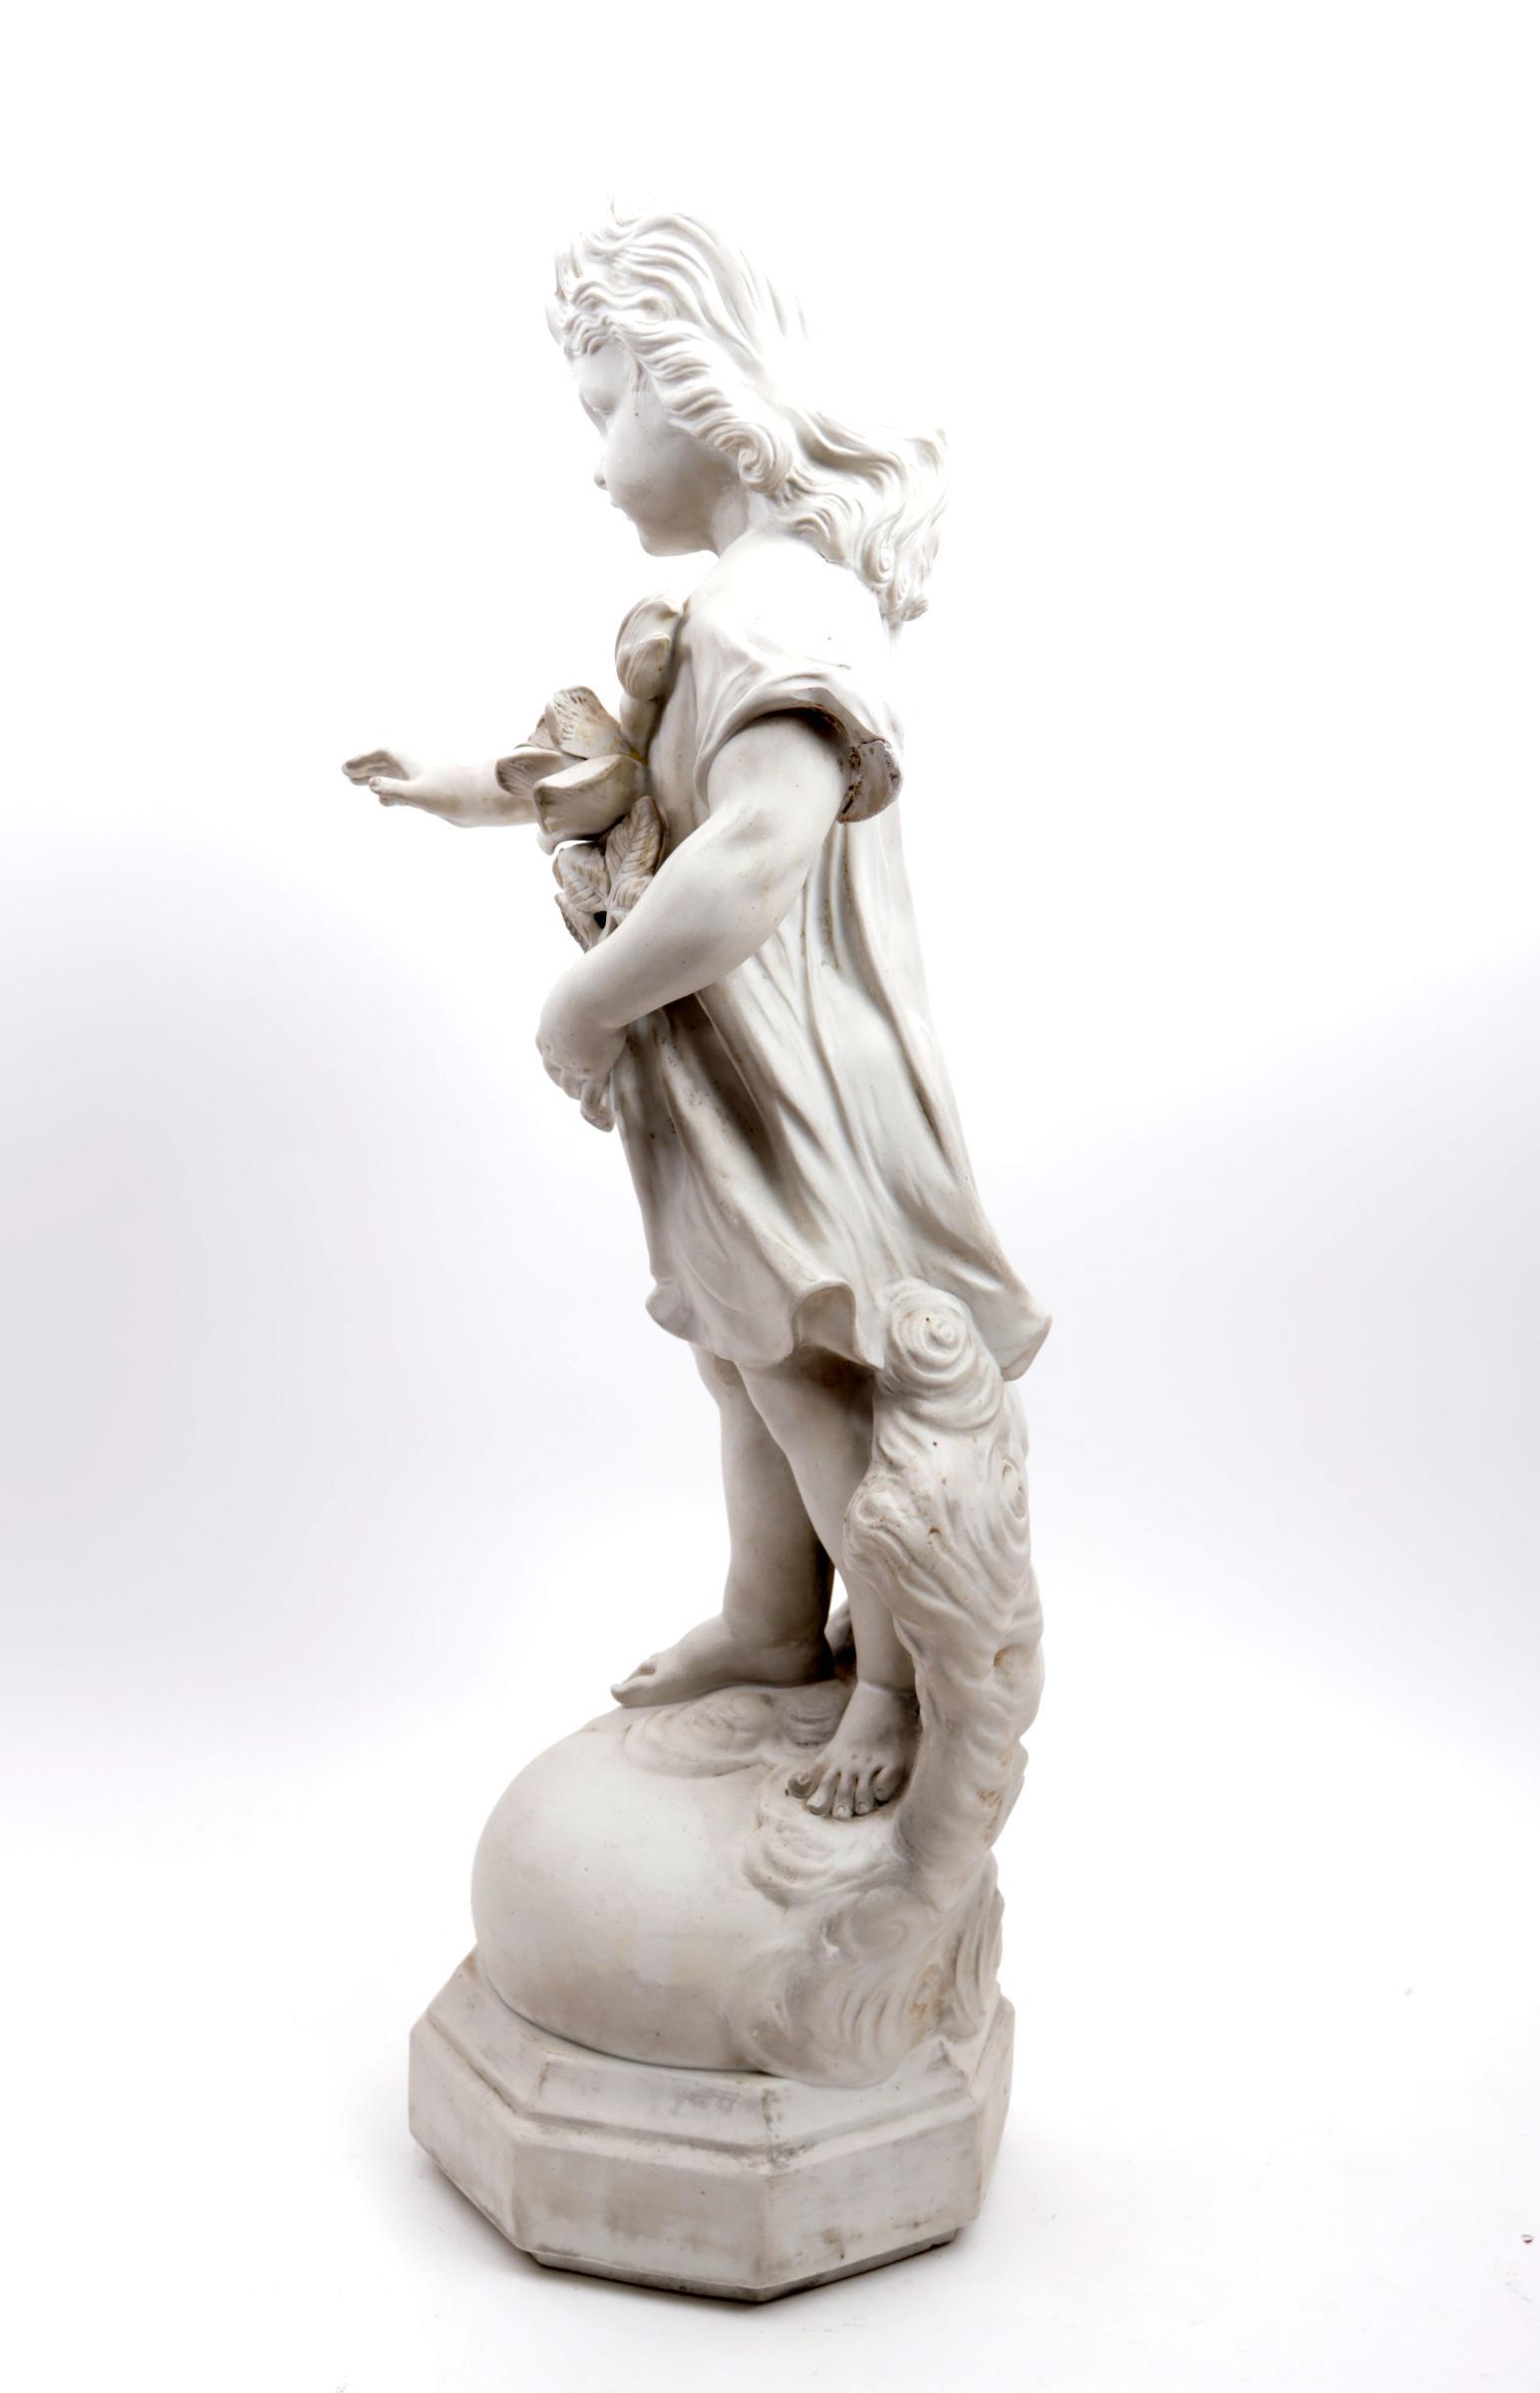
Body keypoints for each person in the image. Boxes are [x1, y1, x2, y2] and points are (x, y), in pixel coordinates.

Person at [344, 209, 1047, 1819]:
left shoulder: (772, 610)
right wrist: (467, 786)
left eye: (607, 408)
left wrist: (585, 1003)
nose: (594, 457)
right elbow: (628, 783)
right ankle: (769, 1620)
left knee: (813, 1377)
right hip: (730, 1079)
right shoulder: (737, 604)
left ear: (696, 385)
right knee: (747, 1365)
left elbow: (750, 855)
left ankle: (896, 1682)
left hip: (793, 1089)